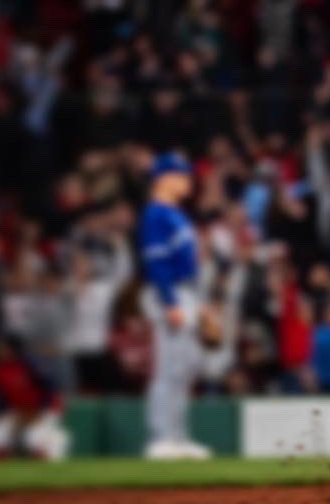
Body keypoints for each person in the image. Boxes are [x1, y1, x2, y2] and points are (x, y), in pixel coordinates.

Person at [138, 152, 211, 460]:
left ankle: (178, 438)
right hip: (170, 294)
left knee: (184, 368)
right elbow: (157, 263)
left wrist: (201, 304)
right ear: (163, 178)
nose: (187, 180)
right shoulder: (156, 214)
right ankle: (160, 438)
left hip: (187, 292)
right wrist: (170, 302)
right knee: (168, 369)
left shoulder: (175, 214)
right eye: (181, 175)